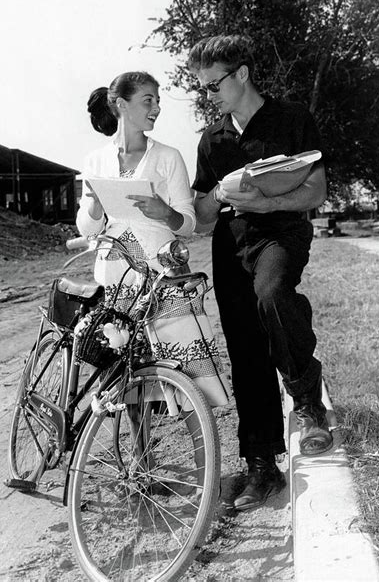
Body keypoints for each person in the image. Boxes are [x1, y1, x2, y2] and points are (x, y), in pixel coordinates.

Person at [187, 35, 333, 511]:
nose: (208, 95)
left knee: (272, 296)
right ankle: (262, 465)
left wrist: (265, 200)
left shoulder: (291, 118)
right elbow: (203, 213)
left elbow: (315, 192)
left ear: (242, 74)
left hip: (281, 234)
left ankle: (307, 397)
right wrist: (221, 196)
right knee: (245, 347)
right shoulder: (212, 139)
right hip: (230, 244)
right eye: (203, 88)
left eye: (214, 85)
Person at [76, 71, 230, 407]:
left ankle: (207, 457)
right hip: (117, 284)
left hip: (164, 275)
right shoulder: (95, 161)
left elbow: (189, 223)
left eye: (158, 101)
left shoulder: (168, 157)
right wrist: (94, 204)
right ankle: (138, 460)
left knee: (191, 384)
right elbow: (87, 229)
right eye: (149, 100)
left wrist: (164, 213)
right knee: (128, 387)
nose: (157, 108)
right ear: (121, 105)